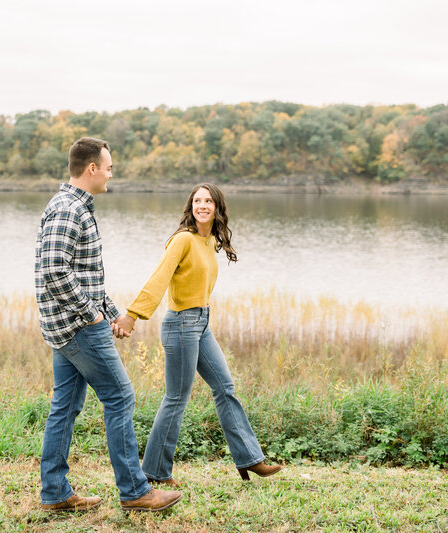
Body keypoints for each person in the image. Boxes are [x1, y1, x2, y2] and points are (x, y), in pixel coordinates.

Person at [35, 137, 182, 513]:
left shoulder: (73, 206)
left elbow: (84, 276)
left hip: (68, 326)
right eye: (110, 166)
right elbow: (54, 270)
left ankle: (54, 493)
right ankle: (135, 491)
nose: (112, 173)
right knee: (120, 398)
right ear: (92, 169)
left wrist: (111, 310)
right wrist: (92, 314)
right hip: (80, 328)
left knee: (64, 407)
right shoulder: (69, 209)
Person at [113, 183, 282, 485]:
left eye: (208, 201)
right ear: (190, 206)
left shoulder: (209, 240)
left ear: (217, 207)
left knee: (225, 387)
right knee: (177, 397)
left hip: (202, 323)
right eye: (197, 200)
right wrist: (132, 314)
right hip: (181, 324)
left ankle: (250, 459)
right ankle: (155, 473)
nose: (202, 205)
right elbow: (159, 277)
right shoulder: (182, 240)